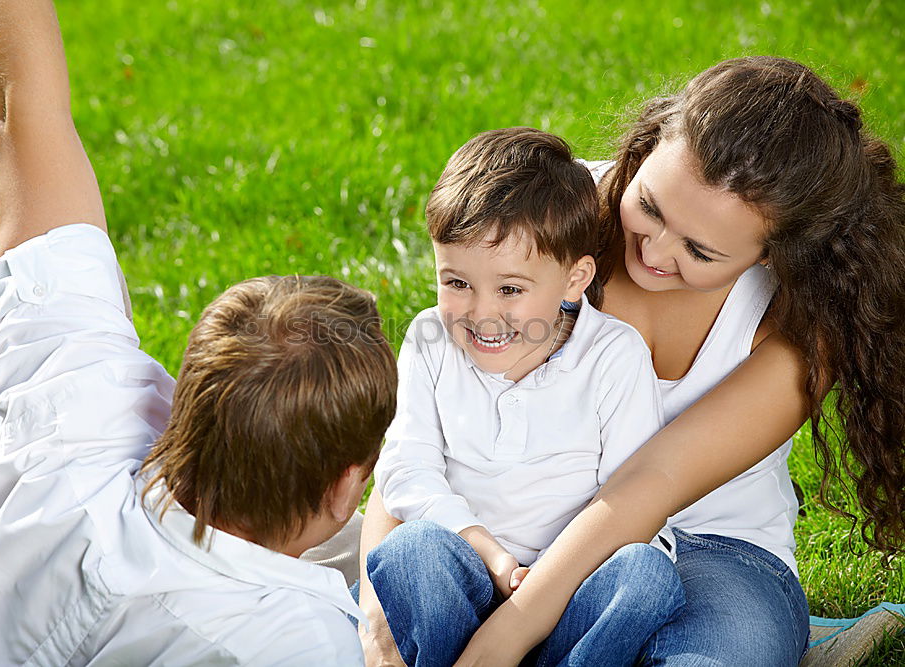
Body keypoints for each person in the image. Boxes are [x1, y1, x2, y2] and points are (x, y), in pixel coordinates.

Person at [358, 57, 905, 666]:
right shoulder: (553, 217)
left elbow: (650, 484)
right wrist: (376, 616)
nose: (655, 248)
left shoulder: (798, 326)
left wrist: (499, 642)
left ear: (777, 254)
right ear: (647, 150)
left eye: (699, 249)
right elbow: (424, 425)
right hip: (503, 530)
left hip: (706, 552)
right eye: (650, 205)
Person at [0, 1, 398, 664]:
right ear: (344, 486)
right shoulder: (301, 643)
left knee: (41, 284)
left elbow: (21, 111)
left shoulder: (75, 413)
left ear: (179, 408)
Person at [367, 127, 678, 666]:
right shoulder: (430, 340)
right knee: (407, 553)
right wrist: (485, 548)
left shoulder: (613, 356)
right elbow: (405, 468)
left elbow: (631, 495)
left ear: (575, 278)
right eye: (456, 282)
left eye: (510, 289)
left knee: (648, 577)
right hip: (460, 574)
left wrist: (540, 588)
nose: (481, 313)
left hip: (568, 590)